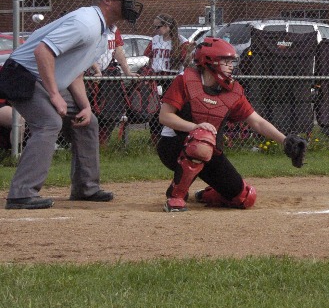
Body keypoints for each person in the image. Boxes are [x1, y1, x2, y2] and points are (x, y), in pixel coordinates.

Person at [3, 0, 144, 209]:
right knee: (49, 123)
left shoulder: (103, 29)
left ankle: (86, 189)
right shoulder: (86, 22)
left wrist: (85, 106)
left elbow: (74, 70)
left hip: (42, 78)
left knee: (87, 122)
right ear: (107, 1)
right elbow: (43, 52)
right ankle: (21, 194)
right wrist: (55, 95)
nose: (131, 4)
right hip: (22, 75)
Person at [157, 37, 307, 212]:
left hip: (207, 150)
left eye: (231, 62)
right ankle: (177, 195)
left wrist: (285, 140)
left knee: (245, 198)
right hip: (173, 146)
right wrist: (195, 127)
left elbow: (256, 121)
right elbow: (165, 117)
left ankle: (207, 194)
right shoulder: (185, 80)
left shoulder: (233, 91)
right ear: (209, 61)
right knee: (202, 138)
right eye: (225, 61)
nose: (231, 66)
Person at [143, 14, 192, 142]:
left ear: (167, 26)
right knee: (154, 110)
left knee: (171, 110)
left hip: (172, 78)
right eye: (154, 27)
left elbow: (186, 64)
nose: (155, 30)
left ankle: (170, 136)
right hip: (156, 77)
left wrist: (190, 53)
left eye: (158, 27)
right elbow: (150, 59)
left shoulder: (181, 41)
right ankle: (154, 138)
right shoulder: (155, 40)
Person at [87, 25, 138, 144]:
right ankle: (86, 141)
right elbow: (87, 51)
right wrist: (96, 70)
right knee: (89, 109)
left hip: (107, 73)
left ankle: (102, 143)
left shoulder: (114, 29)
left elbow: (118, 50)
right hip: (90, 73)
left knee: (110, 111)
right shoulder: (94, 27)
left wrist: (127, 72)